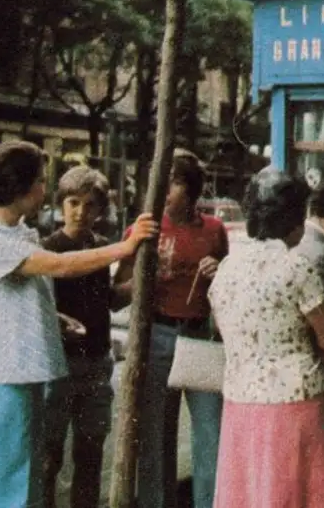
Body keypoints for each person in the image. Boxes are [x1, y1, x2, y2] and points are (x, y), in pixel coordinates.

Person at [0, 141, 155, 507]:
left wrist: (54, 319)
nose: (44, 190)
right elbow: (60, 265)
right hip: (6, 377)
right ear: (26, 186)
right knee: (7, 480)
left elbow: (15, 299)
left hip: (28, 373)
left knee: (24, 476)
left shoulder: (20, 233)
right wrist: (124, 249)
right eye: (42, 181)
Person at [210, 167, 324, 508]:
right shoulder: (297, 268)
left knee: (248, 492)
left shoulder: (227, 269)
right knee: (293, 493)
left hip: (240, 397)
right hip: (294, 399)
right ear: (295, 220)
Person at [115, 149, 229, 508]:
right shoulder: (142, 228)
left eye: (174, 182)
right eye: (158, 182)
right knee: (155, 435)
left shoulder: (214, 229)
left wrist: (219, 272)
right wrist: (141, 282)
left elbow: (228, 290)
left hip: (200, 337)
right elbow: (117, 294)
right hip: (157, 335)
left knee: (210, 434)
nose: (164, 191)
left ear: (192, 189)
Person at [41, 167, 133, 508]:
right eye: (73, 202)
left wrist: (138, 282)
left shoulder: (101, 248)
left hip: (96, 364)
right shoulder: (48, 248)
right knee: (49, 456)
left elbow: (109, 300)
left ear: (100, 210)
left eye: (90, 205)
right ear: (60, 204)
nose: (80, 212)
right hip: (58, 365)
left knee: (91, 453)